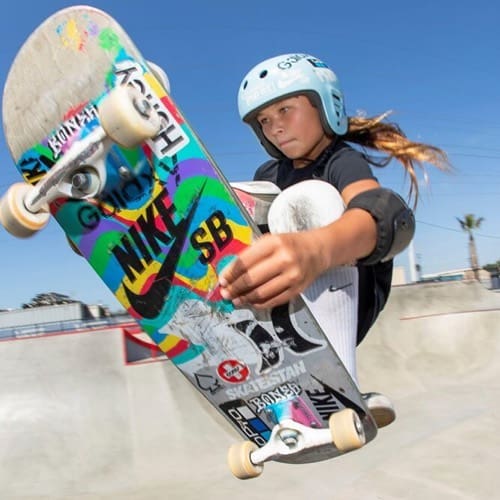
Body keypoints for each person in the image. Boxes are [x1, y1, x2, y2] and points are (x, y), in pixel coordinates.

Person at [218, 53, 450, 428]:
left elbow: (384, 216)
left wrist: (316, 249)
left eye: (285, 110)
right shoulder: (267, 173)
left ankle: (339, 387)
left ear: (325, 105)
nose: (275, 127)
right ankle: (277, 384)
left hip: (349, 290)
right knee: (240, 201)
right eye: (265, 120)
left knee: (312, 198)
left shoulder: (340, 161)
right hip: (289, 302)